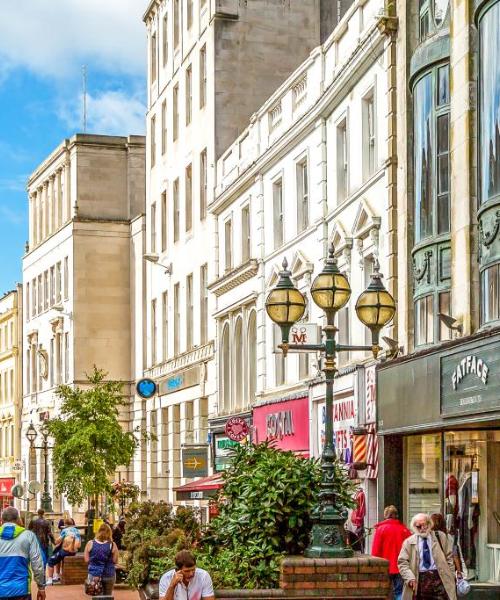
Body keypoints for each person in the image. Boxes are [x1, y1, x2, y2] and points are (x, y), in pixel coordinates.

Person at [398, 512, 457, 600]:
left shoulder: (440, 537)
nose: (422, 529)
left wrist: (451, 575)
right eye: (418, 526)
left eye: (424, 525)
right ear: (414, 527)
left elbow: (449, 557)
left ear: (429, 524)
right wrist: (410, 578)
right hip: (420, 580)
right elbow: (402, 563)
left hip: (440, 578)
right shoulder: (409, 542)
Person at [0, 506, 46, 600]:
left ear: (2, 520)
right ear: (18, 519)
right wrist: (41, 587)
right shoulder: (28, 536)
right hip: (21, 590)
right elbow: (37, 564)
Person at [371, 505, 411, 600]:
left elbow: (375, 550)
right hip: (401, 566)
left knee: (384, 592)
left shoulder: (380, 529)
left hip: (385, 566)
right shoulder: (404, 529)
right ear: (396, 515)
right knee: (399, 592)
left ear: (385, 516)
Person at [84, 523, 119, 596]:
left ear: (98, 531)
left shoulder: (90, 543)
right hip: (109, 574)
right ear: (109, 533)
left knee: (96, 595)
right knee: (108, 596)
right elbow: (115, 561)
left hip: (94, 575)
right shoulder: (112, 545)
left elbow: (86, 560)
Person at [46, 518, 82, 585]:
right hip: (74, 551)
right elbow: (79, 545)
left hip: (66, 551)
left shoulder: (65, 530)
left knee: (50, 560)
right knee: (58, 555)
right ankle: (57, 575)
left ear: (65, 524)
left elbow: (57, 541)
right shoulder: (77, 531)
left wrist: (52, 538)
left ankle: (50, 579)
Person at [431, 513, 466, 578]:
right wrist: (459, 571)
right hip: (447, 568)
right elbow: (454, 554)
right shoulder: (448, 537)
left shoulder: (428, 537)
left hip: (433, 569)